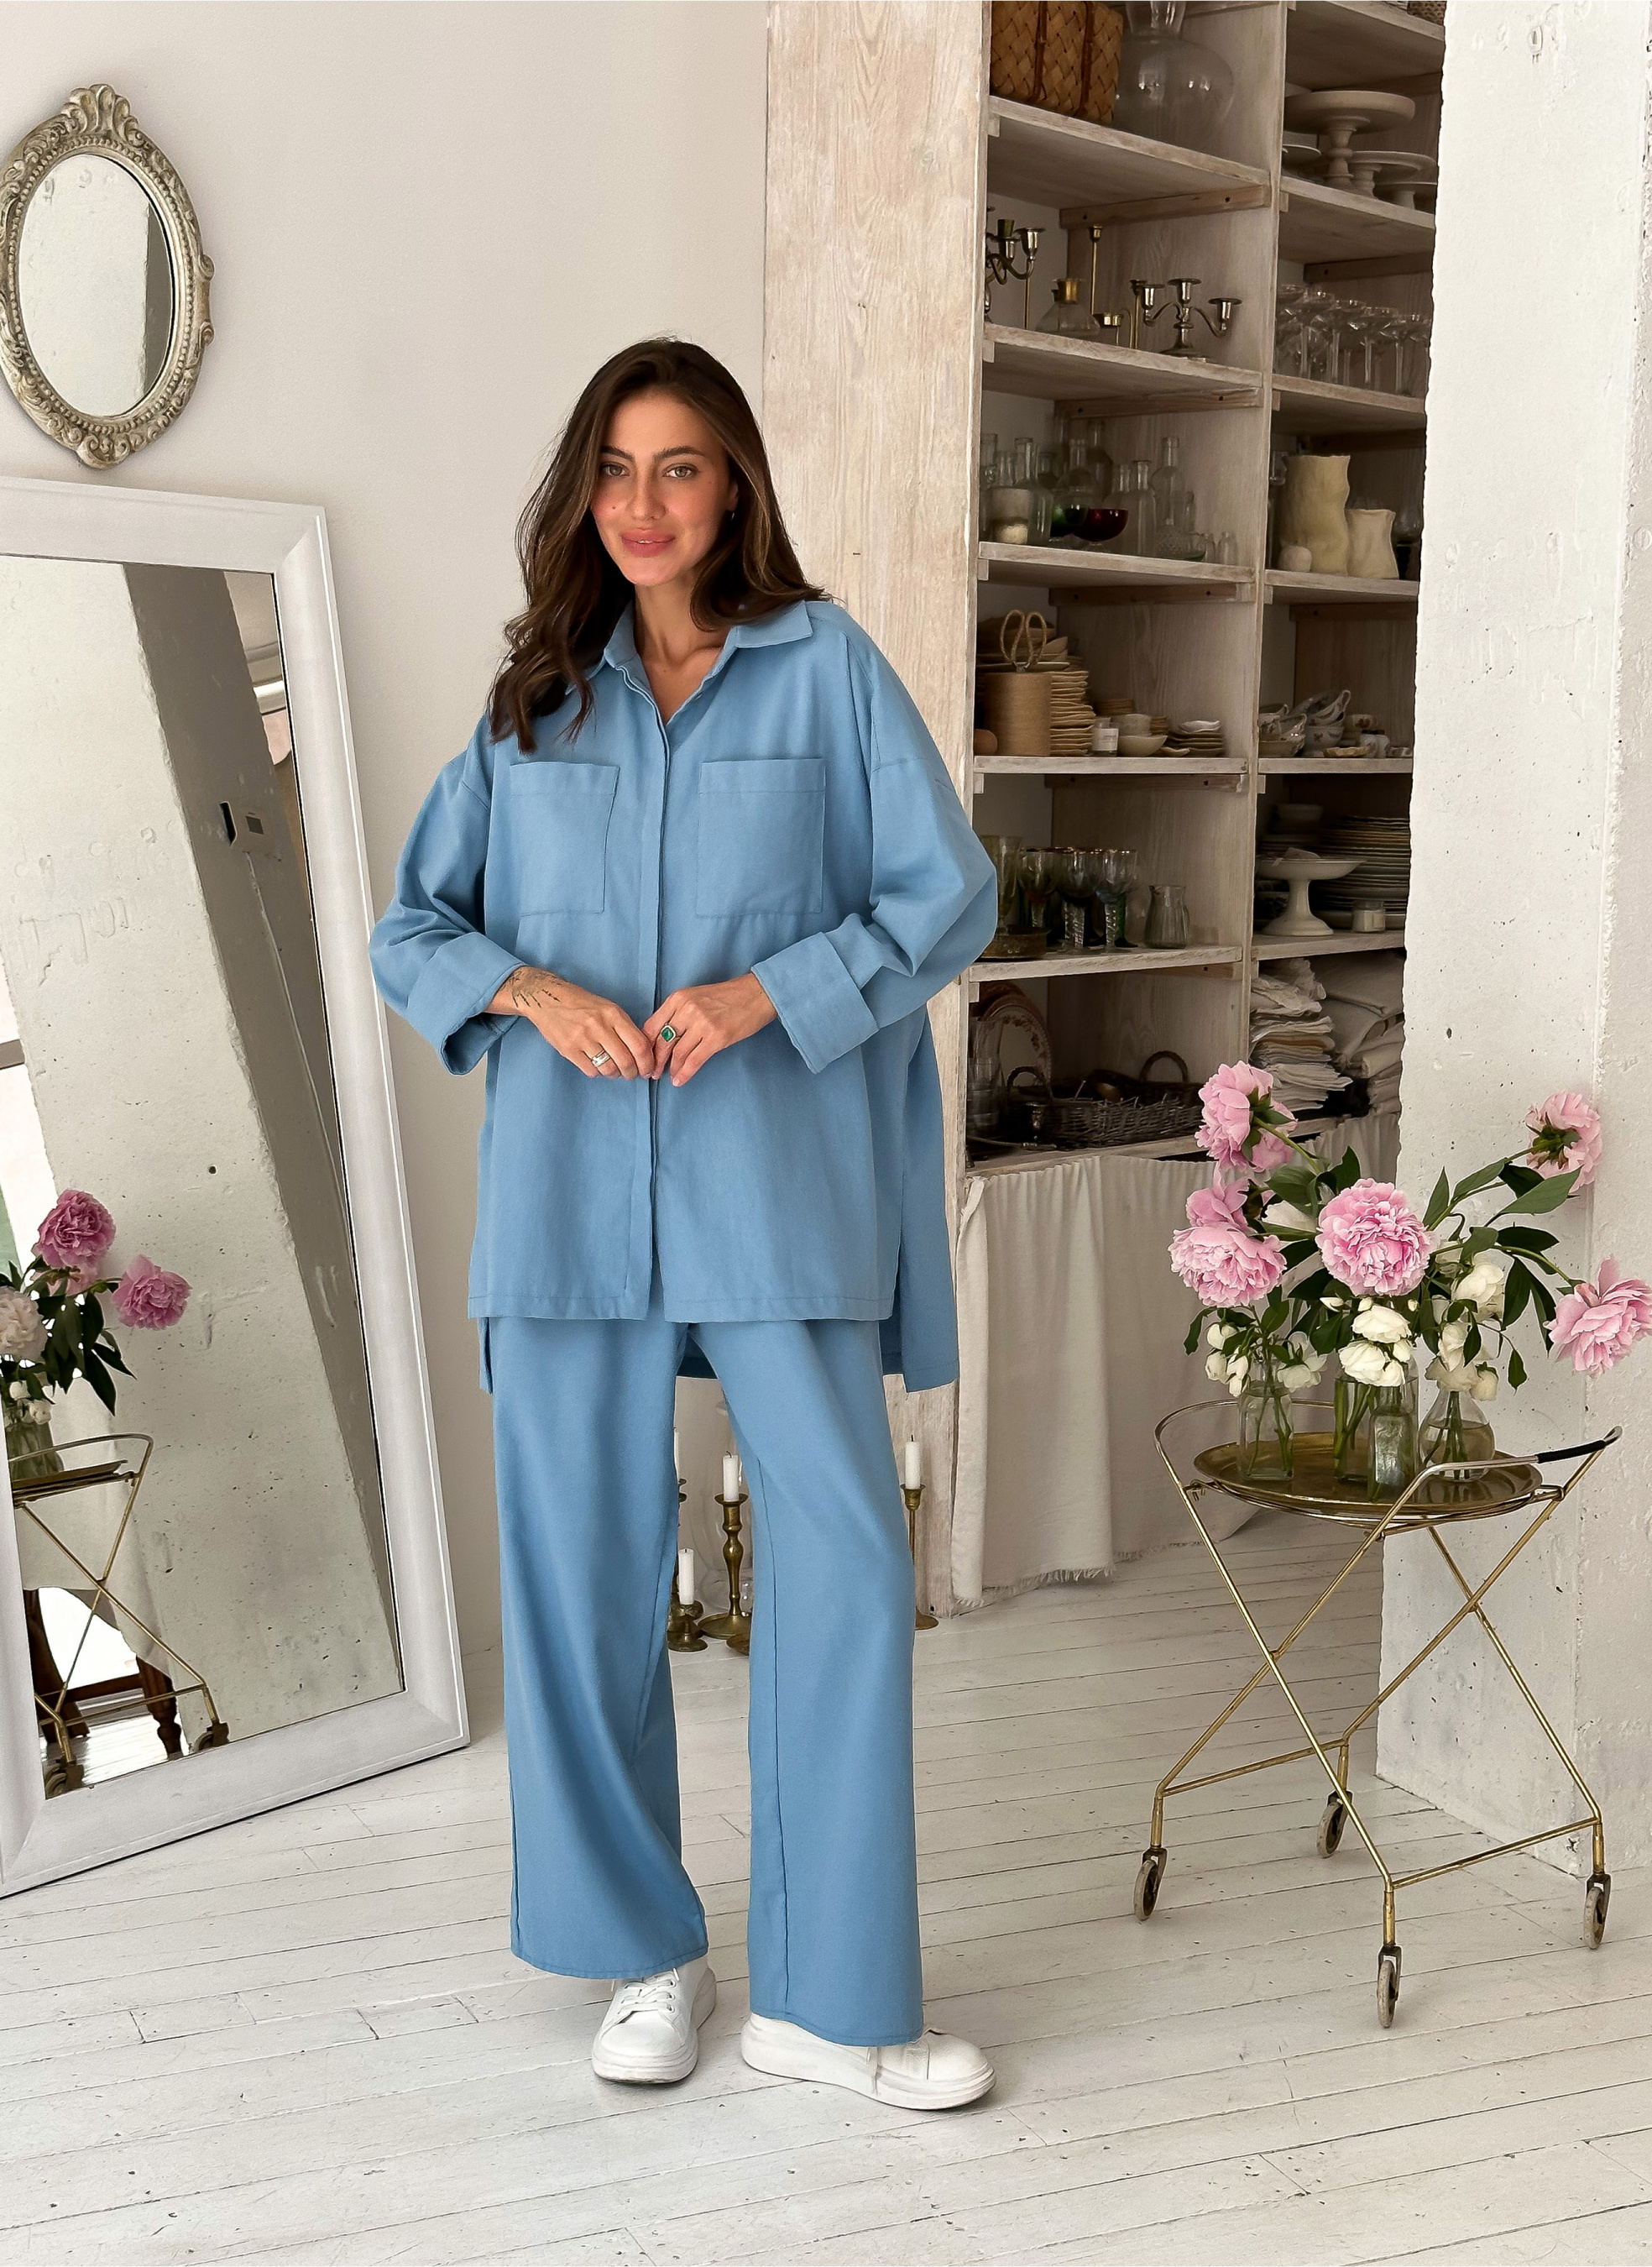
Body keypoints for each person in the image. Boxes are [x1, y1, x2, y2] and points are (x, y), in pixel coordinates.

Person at [369, 338, 998, 2108]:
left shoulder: (825, 670)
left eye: (681, 468)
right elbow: (413, 928)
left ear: (734, 489)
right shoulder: (534, 706)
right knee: (579, 1589)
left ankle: (832, 2001)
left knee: (846, 1569)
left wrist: (766, 992)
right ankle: (644, 1953)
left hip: (775, 1194)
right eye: (616, 470)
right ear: (585, 493)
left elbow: (944, 894)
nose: (643, 505)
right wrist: (525, 989)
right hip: (569, 1208)